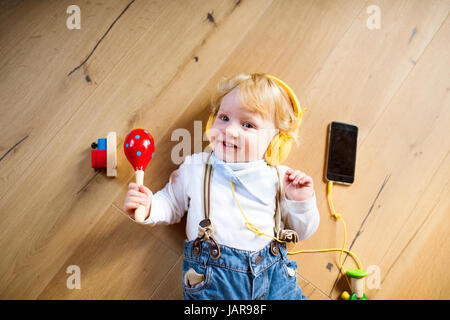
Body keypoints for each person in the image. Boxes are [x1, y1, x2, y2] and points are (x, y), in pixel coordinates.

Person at [123, 73, 320, 300]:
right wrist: (148, 207)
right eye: (224, 118)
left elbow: (302, 231)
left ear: (275, 138)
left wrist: (301, 201)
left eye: (248, 124)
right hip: (214, 285)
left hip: (274, 282)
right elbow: (170, 203)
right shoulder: (196, 167)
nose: (230, 130)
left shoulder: (281, 178)